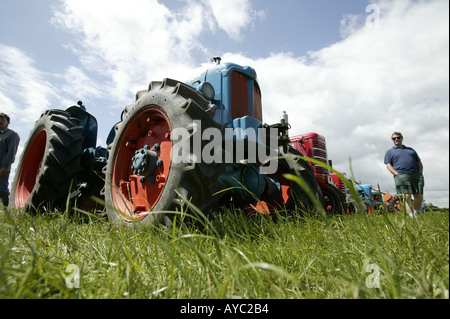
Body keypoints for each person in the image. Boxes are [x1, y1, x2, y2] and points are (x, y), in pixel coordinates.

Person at [384, 132, 424, 218]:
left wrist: (420, 173)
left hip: (416, 175)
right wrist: (397, 174)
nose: (396, 139)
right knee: (406, 196)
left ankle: (416, 213)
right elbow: (388, 165)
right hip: (401, 175)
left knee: (419, 195)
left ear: (402, 138)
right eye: (394, 138)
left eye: (398, 137)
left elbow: (419, 162)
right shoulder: (390, 152)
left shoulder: (411, 150)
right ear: (392, 140)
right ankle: (411, 216)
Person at [0, 113, 20, 207]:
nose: (0, 121)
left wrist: (5, 166)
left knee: (2, 189)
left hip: (2, 166)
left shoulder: (12, 135)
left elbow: (11, 152)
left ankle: (8, 208)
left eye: (3, 120)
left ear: (8, 123)